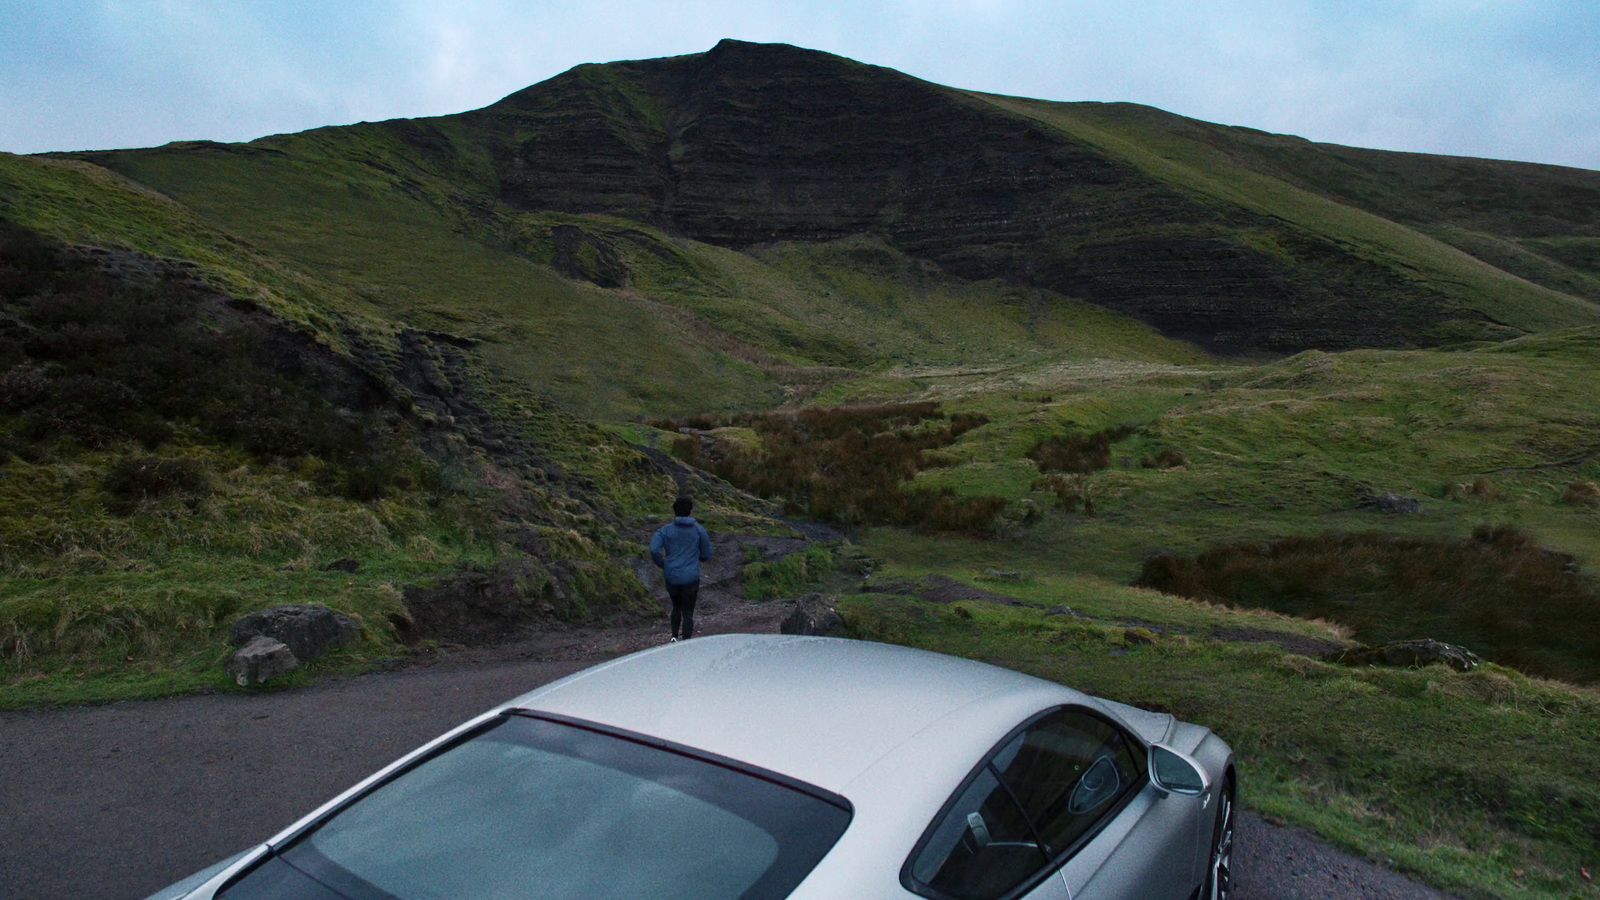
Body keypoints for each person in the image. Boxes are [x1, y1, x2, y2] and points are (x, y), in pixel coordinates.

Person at [649, 496, 714, 641]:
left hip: (672, 576)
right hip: (691, 577)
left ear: (674, 511)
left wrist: (663, 564)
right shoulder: (699, 530)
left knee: (676, 606)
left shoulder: (665, 531)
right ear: (691, 511)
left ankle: (673, 636)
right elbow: (707, 553)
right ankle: (686, 641)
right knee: (688, 612)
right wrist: (698, 558)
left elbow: (654, 549)